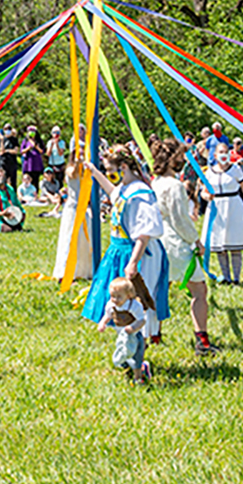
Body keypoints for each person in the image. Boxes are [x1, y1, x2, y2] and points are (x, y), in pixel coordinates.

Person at [74, 144, 167, 346]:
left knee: (139, 299)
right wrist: (95, 172)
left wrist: (133, 262)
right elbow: (113, 193)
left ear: (123, 167)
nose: (110, 173)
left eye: (110, 169)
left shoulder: (141, 193)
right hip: (121, 249)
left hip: (139, 253)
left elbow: (144, 233)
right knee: (119, 298)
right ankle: (128, 343)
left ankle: (139, 346)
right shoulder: (126, 188)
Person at [150, 139, 217, 356]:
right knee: (199, 290)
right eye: (180, 156)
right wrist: (195, 240)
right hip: (175, 243)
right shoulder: (175, 185)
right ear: (171, 158)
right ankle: (202, 341)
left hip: (157, 243)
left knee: (161, 289)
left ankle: (154, 335)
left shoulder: (155, 182)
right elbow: (180, 219)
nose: (183, 160)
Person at [198, 144, 243, 285]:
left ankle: (236, 278)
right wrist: (207, 197)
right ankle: (226, 277)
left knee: (234, 243)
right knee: (220, 245)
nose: (224, 155)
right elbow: (203, 192)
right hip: (216, 209)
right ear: (215, 155)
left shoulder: (236, 169)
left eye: (226, 152)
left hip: (233, 207)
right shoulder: (209, 172)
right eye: (221, 152)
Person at [95, 276, 153, 384]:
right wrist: (102, 323)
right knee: (124, 354)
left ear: (128, 295)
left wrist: (133, 328)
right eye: (113, 296)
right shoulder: (111, 305)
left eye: (119, 297)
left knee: (135, 357)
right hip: (122, 335)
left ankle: (138, 377)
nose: (115, 300)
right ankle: (129, 370)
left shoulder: (134, 305)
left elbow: (142, 320)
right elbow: (108, 315)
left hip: (134, 336)